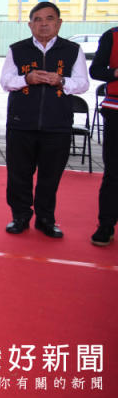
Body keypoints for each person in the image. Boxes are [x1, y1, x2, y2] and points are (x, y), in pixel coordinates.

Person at [0, 1, 89, 238]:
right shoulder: (17, 49)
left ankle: (46, 218)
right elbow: (6, 81)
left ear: (59, 23)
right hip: (21, 122)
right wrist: (26, 79)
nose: (44, 24)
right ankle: (19, 216)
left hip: (57, 123)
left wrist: (62, 81)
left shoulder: (72, 50)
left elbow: (83, 83)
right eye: (37, 20)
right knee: (19, 174)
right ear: (30, 25)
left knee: (50, 175)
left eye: (49, 19)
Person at [89, 25, 118, 246]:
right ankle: (106, 224)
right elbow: (96, 70)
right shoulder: (112, 35)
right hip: (116, 111)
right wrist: (115, 73)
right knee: (114, 171)